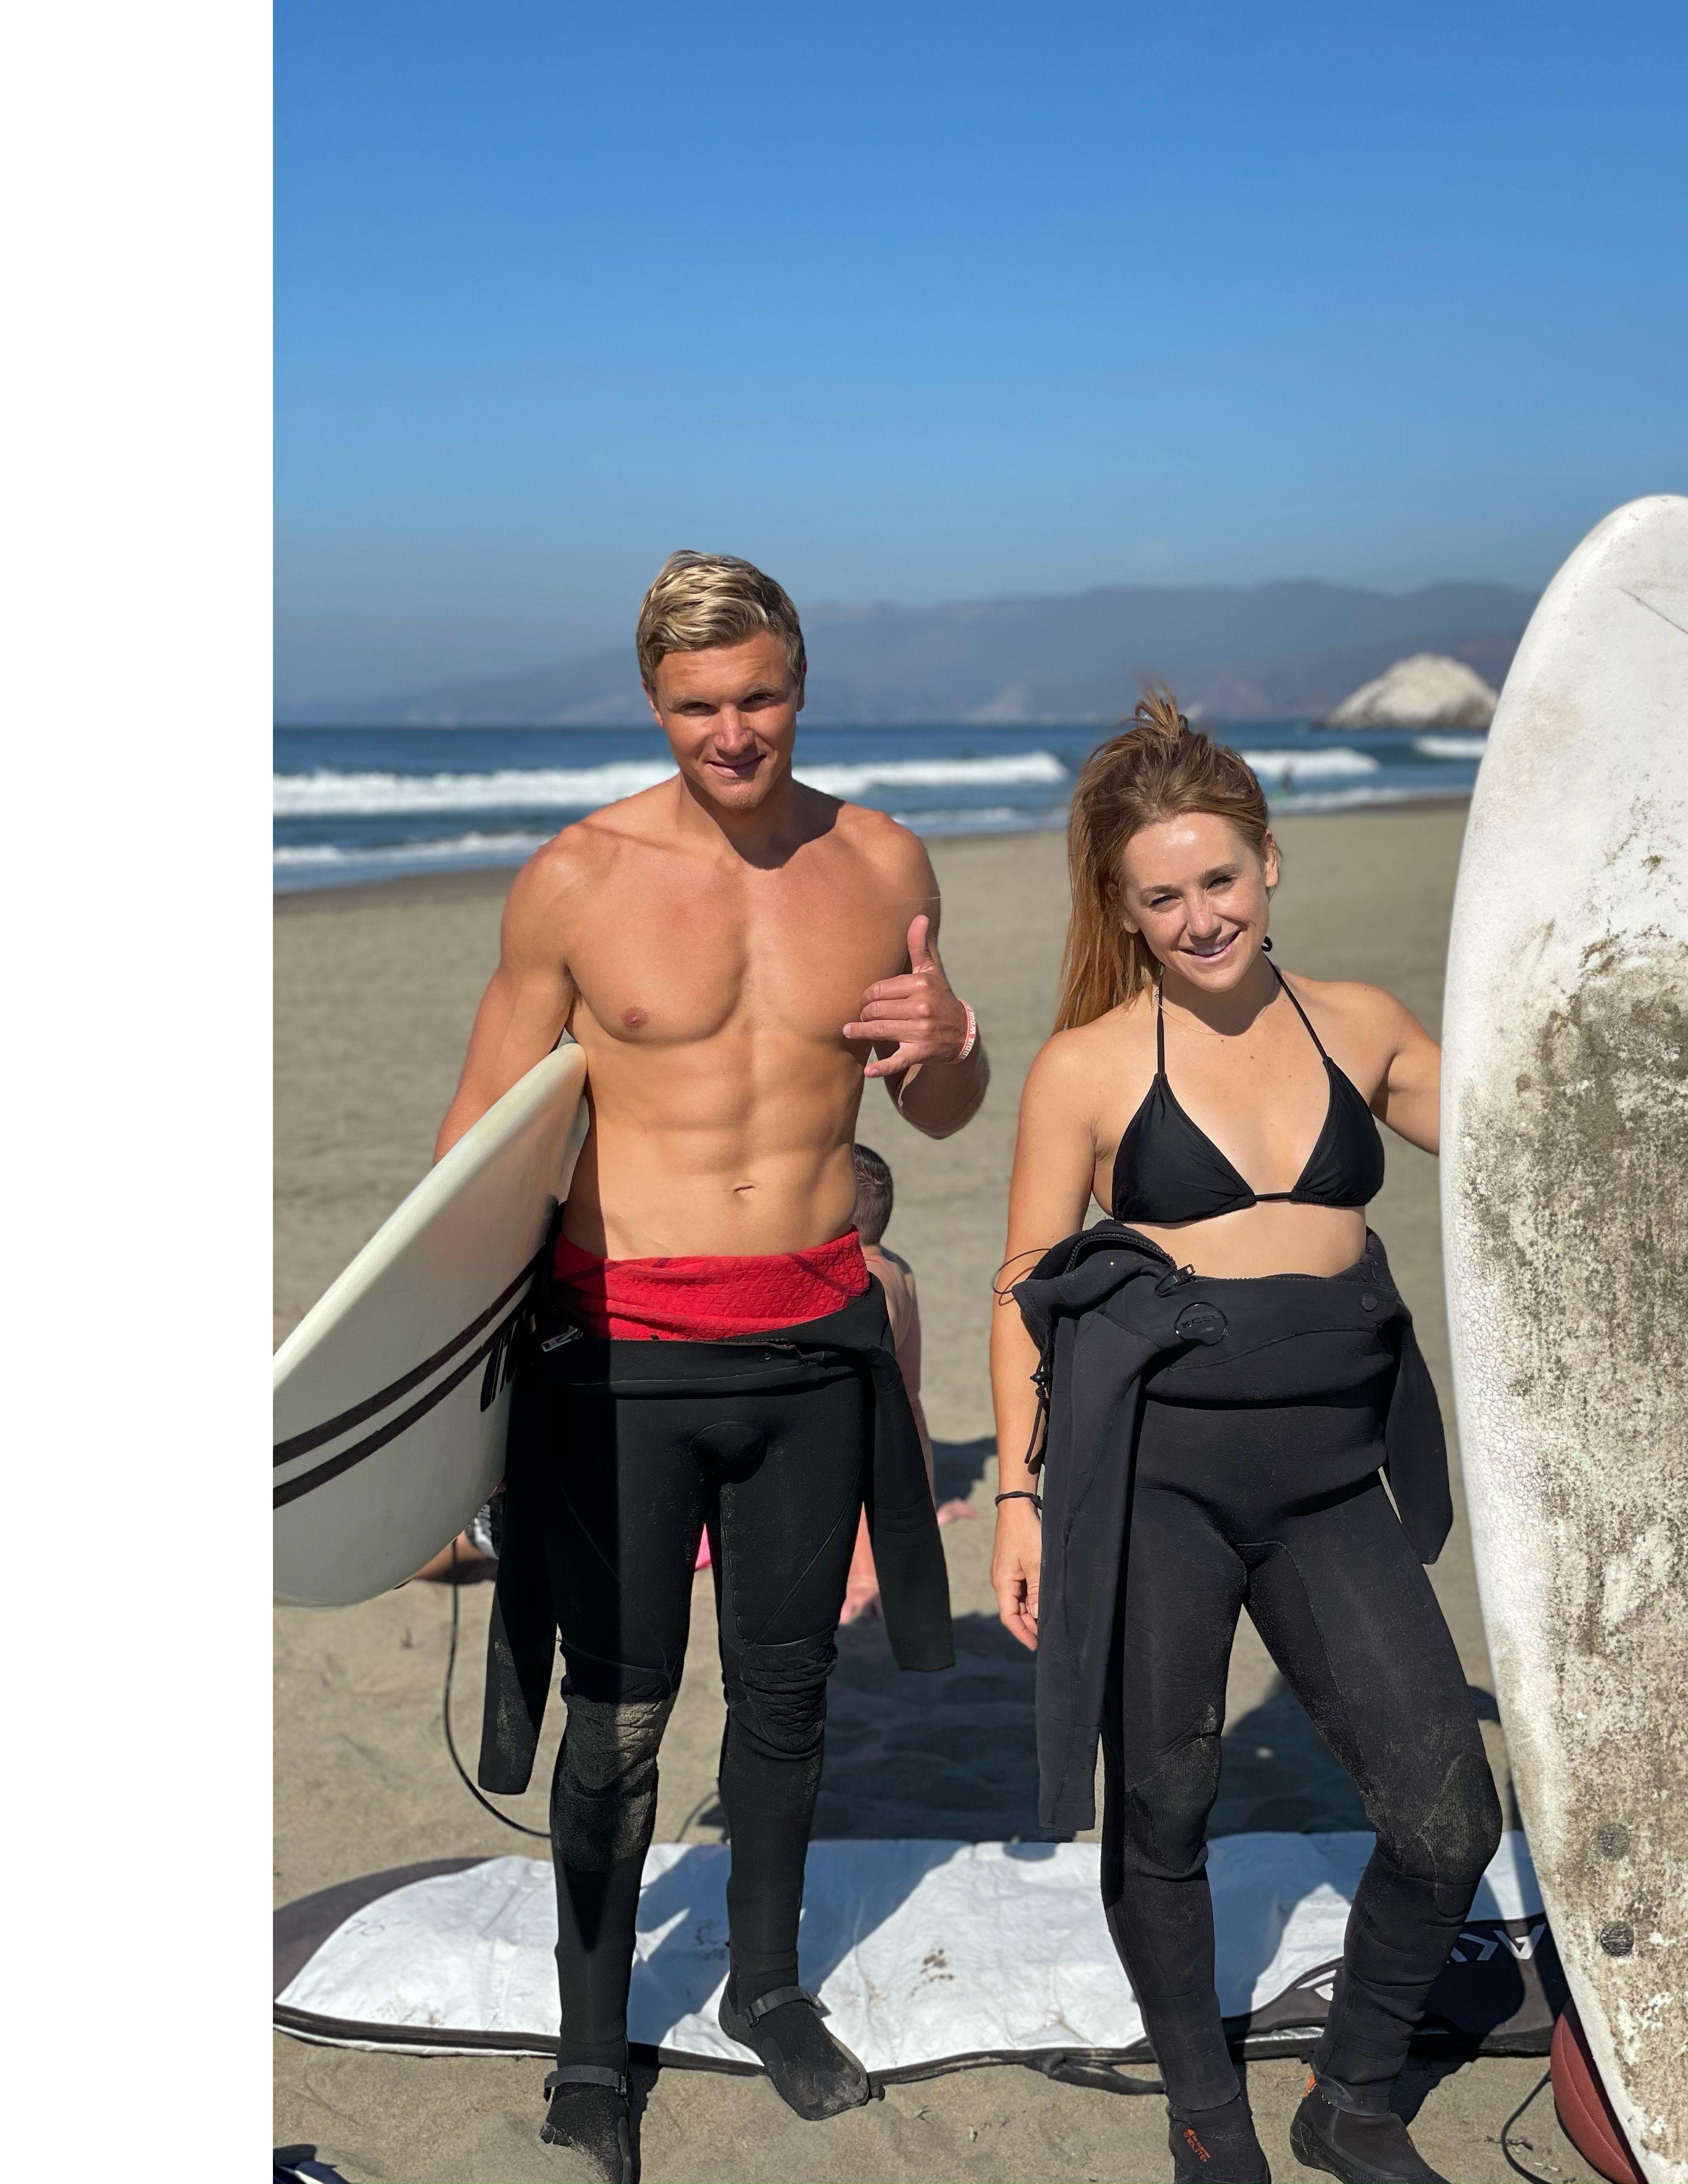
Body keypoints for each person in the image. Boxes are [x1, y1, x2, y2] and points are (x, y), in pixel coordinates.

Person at [436, 551, 989, 2183]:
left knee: (789, 1693)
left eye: (756, 699)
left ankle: (763, 1988)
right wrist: (437, 1425)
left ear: (800, 685)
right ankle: (594, 2050)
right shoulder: (575, 881)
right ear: (654, 702)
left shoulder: (884, 855)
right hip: (619, 1355)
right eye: (696, 706)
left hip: (815, 1344)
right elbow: (474, 1147)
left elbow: (937, 1113)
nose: (730, 733)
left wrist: (957, 1041)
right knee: (616, 1721)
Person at [988, 697, 1502, 2184]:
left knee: (1447, 1814)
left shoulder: (1364, 1026)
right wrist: (1019, 1495)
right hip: (1159, 1478)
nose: (1199, 916)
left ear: (1270, 864)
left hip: (1334, 1475)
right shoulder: (1089, 1067)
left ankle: (1352, 2102)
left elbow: (1528, 1140)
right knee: (1165, 1800)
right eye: (1163, 896)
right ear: (1127, 912)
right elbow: (1025, 1287)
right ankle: (1207, 2111)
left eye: (1219, 880)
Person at [835, 1143, 975, 1624]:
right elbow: (912, 1401)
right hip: (897, 1431)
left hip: (853, 1441)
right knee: (903, 1427)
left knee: (851, 1462)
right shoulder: (899, 1270)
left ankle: (866, 1578)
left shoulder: (856, 1284)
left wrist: (865, 1581)